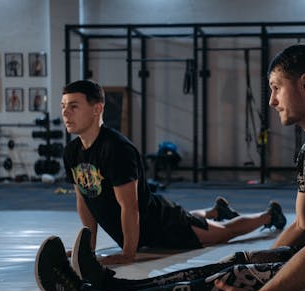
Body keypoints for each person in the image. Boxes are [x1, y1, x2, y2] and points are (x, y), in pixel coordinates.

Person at [35, 45, 305, 291]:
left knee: (233, 280)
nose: (271, 100)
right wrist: (254, 262)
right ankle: (106, 285)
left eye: (276, 88)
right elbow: (300, 226)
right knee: (238, 263)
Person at [60, 80, 286, 265]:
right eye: (63, 106)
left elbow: (130, 206)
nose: (65, 113)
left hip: (163, 224)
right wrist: (88, 246)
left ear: (97, 109)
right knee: (197, 221)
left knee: (222, 234)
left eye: (74, 106)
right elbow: (85, 200)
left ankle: (269, 214)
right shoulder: (72, 152)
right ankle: (216, 210)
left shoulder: (116, 149)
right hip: (144, 228)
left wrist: (128, 253)